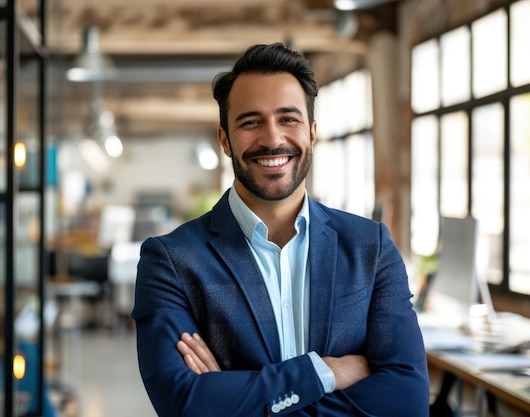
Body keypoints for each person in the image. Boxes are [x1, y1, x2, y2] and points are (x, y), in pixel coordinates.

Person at [132, 42, 429, 417]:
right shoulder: (171, 261)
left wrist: (237, 398)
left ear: (312, 132)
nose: (272, 139)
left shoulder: (371, 247)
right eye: (251, 121)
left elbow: (408, 401)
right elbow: (184, 404)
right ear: (225, 139)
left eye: (288, 119)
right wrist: (326, 372)